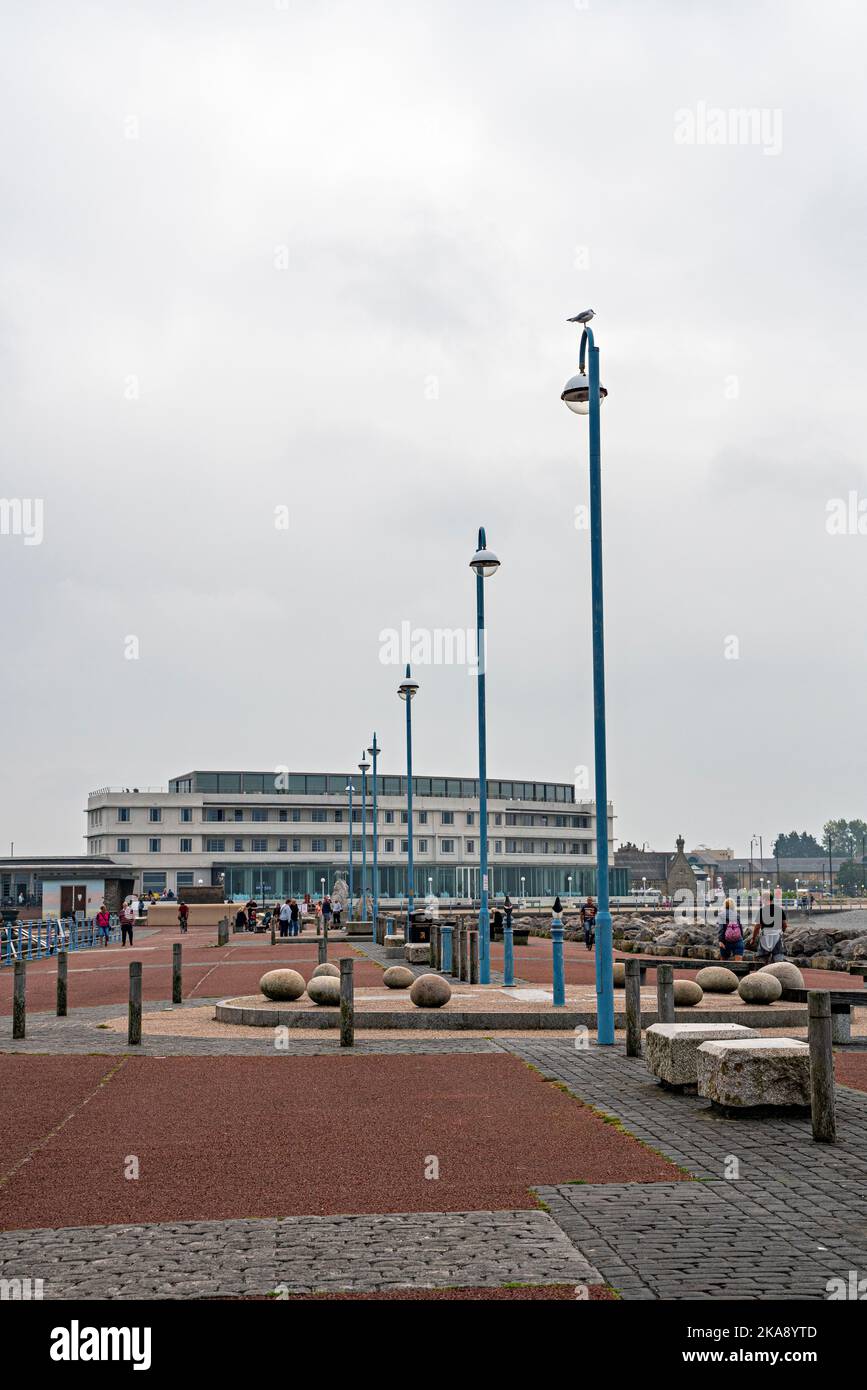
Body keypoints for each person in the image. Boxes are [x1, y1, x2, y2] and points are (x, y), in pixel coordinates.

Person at [750, 893, 788, 963]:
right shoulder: (779, 910)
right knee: (778, 959)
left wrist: (753, 938)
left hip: (765, 936)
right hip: (777, 936)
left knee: (762, 959)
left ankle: (763, 972)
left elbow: (757, 927)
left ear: (765, 900)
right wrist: (781, 931)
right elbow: (785, 925)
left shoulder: (762, 910)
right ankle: (778, 972)